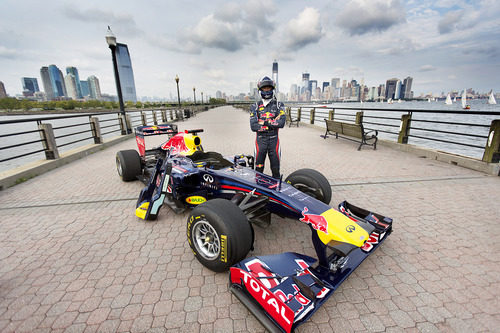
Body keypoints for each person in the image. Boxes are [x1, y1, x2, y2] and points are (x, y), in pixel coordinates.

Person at [250, 76, 286, 178]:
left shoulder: (279, 105)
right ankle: (258, 192)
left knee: (275, 171)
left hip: (274, 142)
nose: (266, 90)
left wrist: (263, 122)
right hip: (260, 142)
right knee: (258, 170)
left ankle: (276, 192)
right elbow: (253, 126)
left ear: (272, 89)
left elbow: (282, 123)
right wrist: (272, 122)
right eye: (264, 88)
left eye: (269, 88)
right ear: (260, 89)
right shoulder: (254, 106)